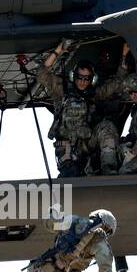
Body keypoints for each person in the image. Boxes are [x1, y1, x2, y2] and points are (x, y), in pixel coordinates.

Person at [36, 39, 95, 176]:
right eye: (80, 77)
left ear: (91, 80)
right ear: (74, 76)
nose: (82, 81)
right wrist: (58, 52)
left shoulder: (94, 94)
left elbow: (116, 85)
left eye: (86, 78)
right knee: (70, 174)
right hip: (65, 145)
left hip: (86, 145)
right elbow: (42, 74)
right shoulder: (62, 90)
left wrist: (123, 58)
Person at [90, 41, 137, 174]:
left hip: (111, 139)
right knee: (107, 128)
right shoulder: (93, 92)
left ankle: (111, 166)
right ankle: (109, 169)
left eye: (134, 91)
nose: (133, 95)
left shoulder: (136, 107)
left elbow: (119, 80)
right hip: (92, 138)